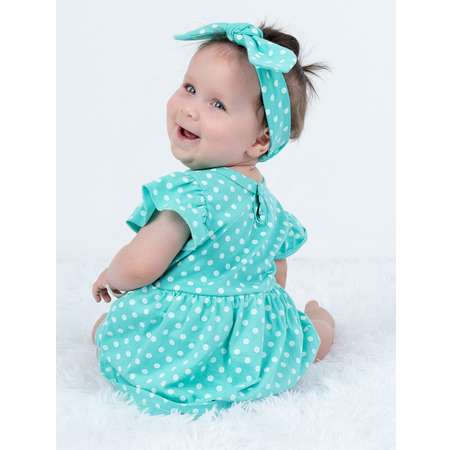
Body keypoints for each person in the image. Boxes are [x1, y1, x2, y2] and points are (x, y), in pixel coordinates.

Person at [91, 21, 335, 418]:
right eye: (190, 88)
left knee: (109, 332)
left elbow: (140, 264)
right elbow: (276, 272)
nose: (190, 108)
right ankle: (320, 324)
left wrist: (112, 275)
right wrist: (260, 324)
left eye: (217, 104)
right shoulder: (269, 205)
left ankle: (311, 325)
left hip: (183, 344)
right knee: (304, 343)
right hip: (249, 351)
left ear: (260, 140)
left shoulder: (193, 195)